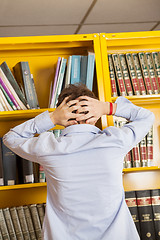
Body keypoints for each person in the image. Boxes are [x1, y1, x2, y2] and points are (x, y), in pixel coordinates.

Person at [3, 83, 154, 240]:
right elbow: (146, 117)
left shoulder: (48, 148)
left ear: (64, 116)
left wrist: (53, 117)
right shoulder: (116, 141)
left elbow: (11, 138)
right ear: (94, 115)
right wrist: (107, 108)